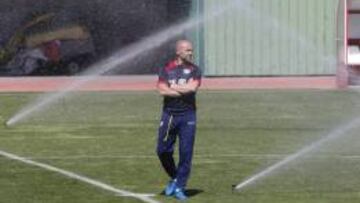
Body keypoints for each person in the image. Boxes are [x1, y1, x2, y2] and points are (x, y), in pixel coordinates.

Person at [156, 39, 202, 201]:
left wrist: (173, 88)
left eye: (191, 50)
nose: (191, 53)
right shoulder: (166, 69)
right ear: (178, 52)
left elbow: (192, 88)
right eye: (188, 50)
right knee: (162, 151)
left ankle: (180, 187)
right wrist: (180, 90)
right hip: (169, 115)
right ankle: (175, 178)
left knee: (186, 153)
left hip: (188, 116)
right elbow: (162, 90)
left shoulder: (195, 70)